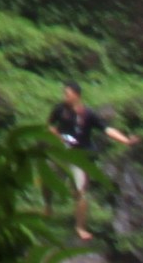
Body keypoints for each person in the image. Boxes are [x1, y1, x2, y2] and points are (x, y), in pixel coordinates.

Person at [51, 83, 137, 243]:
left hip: (79, 157)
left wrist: (125, 140)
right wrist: (56, 135)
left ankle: (80, 227)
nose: (64, 97)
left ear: (77, 95)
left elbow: (107, 129)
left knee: (80, 192)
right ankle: (48, 207)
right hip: (61, 153)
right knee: (48, 178)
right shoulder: (59, 110)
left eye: (67, 94)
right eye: (64, 94)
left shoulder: (88, 114)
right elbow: (50, 126)